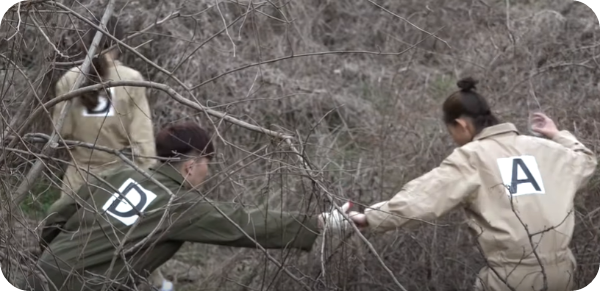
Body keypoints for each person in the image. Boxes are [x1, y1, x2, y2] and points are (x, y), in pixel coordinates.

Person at [27, 121, 354, 291]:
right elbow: (242, 222)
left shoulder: (120, 173)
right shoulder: (179, 205)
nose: (208, 171)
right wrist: (321, 223)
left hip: (38, 274)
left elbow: (59, 211)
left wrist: (44, 252)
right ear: (191, 165)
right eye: (207, 163)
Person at [349, 77, 597, 291]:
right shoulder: (546, 149)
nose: (454, 140)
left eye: (451, 132)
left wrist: (371, 217)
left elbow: (421, 199)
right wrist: (557, 134)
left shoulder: (472, 157)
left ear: (461, 125)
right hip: (563, 273)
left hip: (511, 280)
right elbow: (587, 161)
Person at [49, 14, 156, 216]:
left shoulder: (70, 79)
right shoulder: (132, 80)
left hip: (78, 180)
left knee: (68, 237)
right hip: (119, 184)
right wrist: (150, 180)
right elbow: (143, 141)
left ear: (88, 42)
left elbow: (60, 134)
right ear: (120, 43)